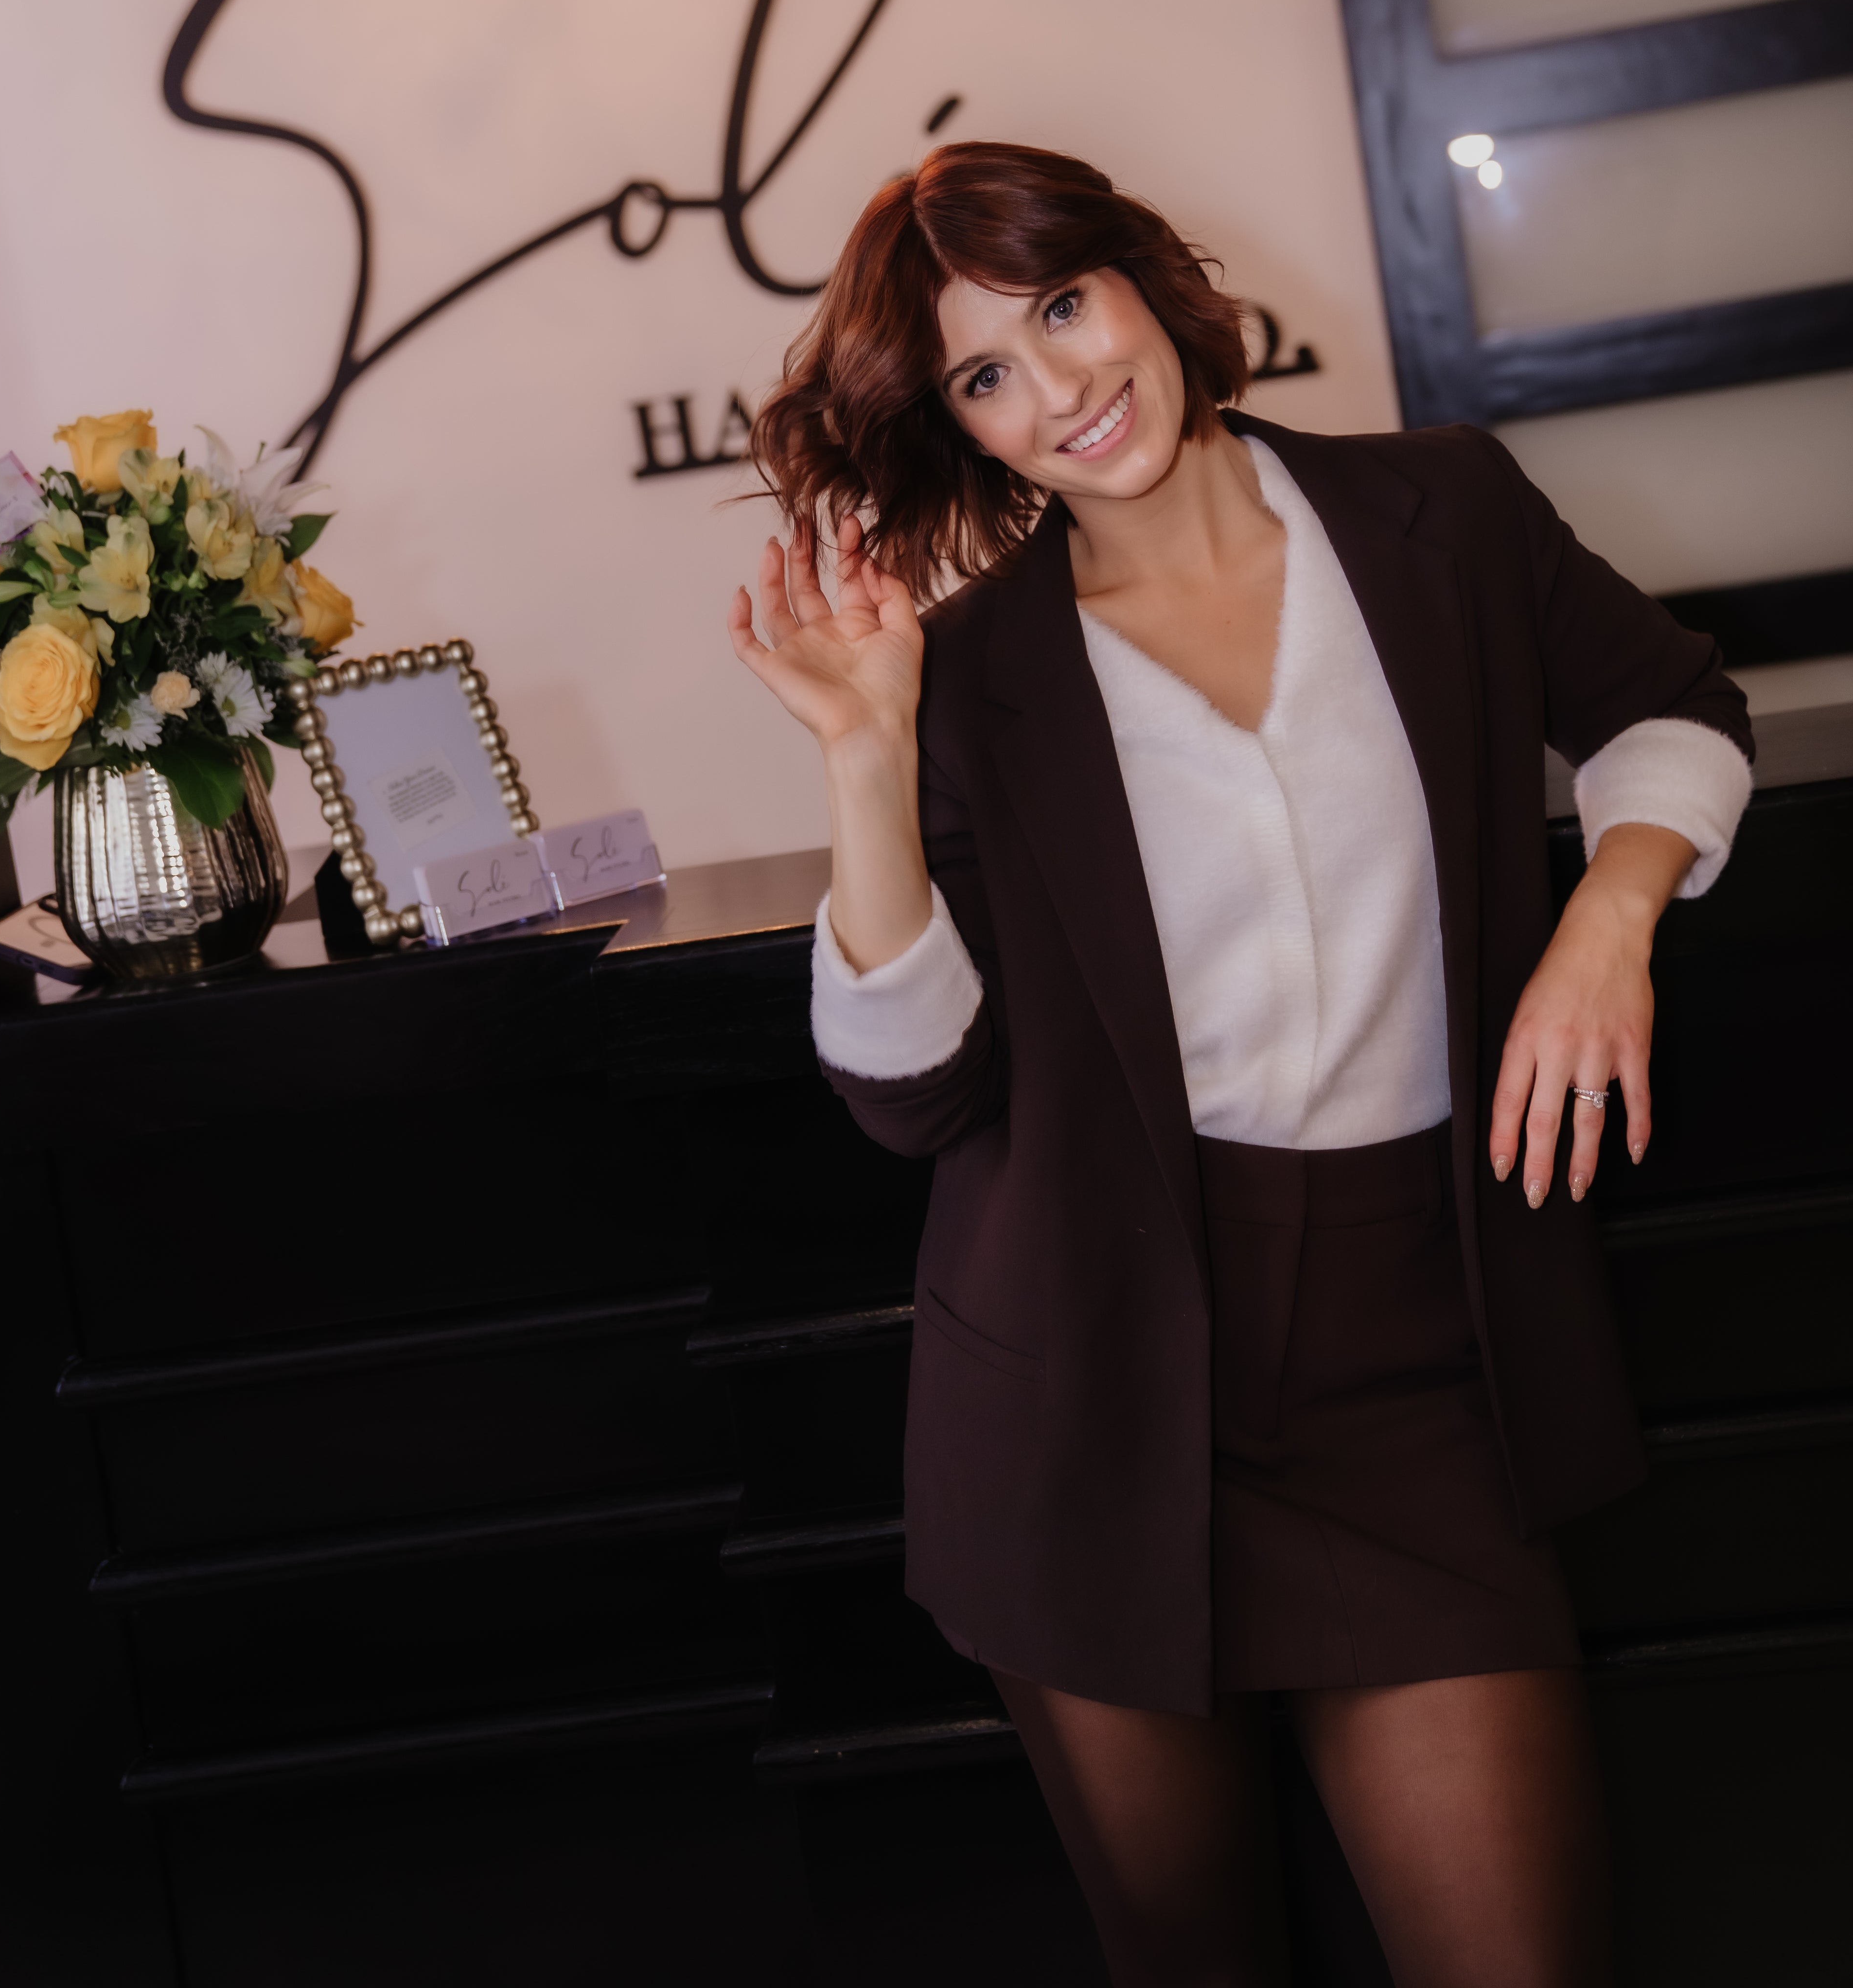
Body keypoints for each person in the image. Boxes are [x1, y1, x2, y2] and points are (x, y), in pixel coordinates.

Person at [728, 142, 1751, 1988]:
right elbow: (913, 1091)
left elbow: (1673, 708)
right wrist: (867, 763)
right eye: (986, 375)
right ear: (961, 429)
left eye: (1063, 308)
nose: (1060, 389)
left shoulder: (1440, 514)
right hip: (1090, 1399)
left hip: (1422, 1361)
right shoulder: (967, 677)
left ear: (1143, 280)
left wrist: (1608, 921)